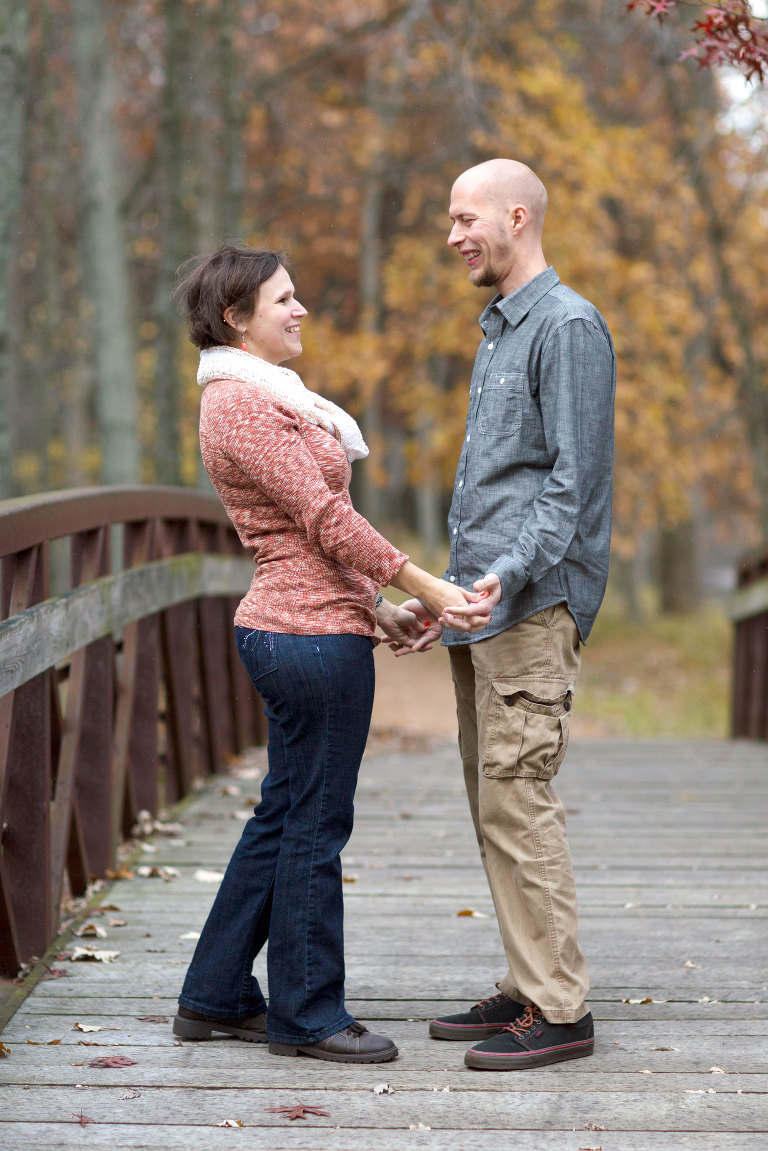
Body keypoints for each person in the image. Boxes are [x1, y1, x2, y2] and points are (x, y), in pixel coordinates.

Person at [169, 244, 488, 1065]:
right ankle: (307, 1011)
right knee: (315, 823)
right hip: (303, 640)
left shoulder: (268, 397)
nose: (300, 308)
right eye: (283, 299)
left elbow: (304, 537)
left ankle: (214, 991)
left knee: (286, 813)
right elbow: (322, 518)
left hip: (312, 625)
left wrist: (377, 609)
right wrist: (427, 582)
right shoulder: (240, 404)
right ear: (237, 318)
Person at [404, 159, 616, 1070]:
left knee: (520, 798)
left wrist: (504, 575)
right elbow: (498, 487)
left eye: (466, 218)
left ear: (518, 217)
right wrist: (450, 593)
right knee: (494, 802)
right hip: (487, 608)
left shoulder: (567, 326)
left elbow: (572, 484)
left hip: (532, 605)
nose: (454, 236)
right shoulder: (500, 329)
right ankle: (529, 982)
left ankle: (561, 1008)